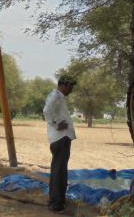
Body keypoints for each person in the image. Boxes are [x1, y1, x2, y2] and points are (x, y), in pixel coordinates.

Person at [43, 75, 77, 214]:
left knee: (59, 171)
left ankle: (56, 200)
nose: (71, 89)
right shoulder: (55, 96)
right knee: (59, 172)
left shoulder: (59, 97)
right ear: (63, 85)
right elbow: (46, 111)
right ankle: (56, 205)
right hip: (60, 138)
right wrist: (56, 124)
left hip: (62, 138)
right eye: (70, 86)